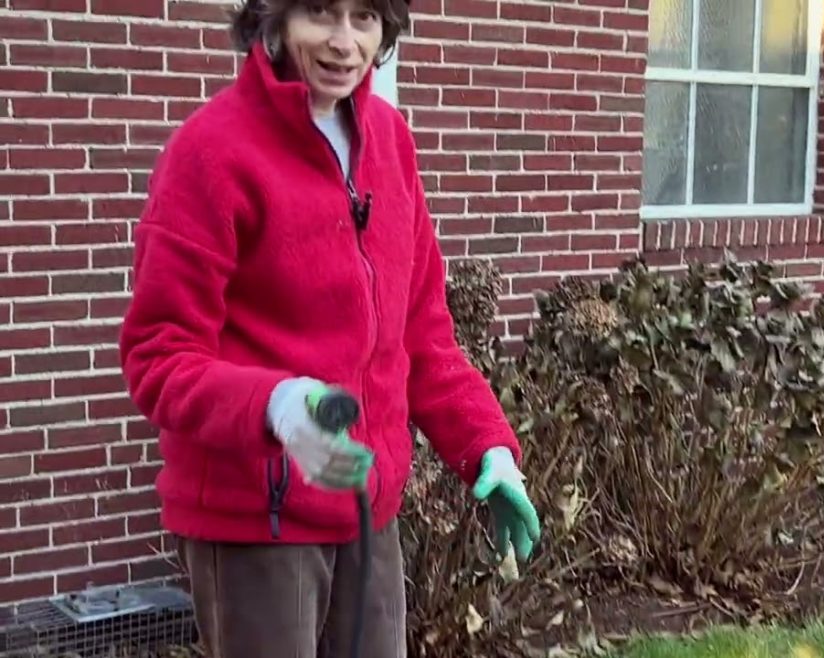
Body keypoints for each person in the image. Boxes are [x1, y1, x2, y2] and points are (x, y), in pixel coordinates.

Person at [116, 1, 541, 656]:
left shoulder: (391, 142)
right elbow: (158, 355)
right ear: (274, 21)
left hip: (368, 514)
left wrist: (489, 449)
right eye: (320, 13)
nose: (345, 42)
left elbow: (422, 334)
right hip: (255, 523)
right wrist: (277, 406)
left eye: (365, 17)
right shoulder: (211, 152)